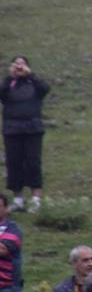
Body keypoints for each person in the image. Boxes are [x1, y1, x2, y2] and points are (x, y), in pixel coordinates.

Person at [0, 56, 48, 212]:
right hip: (12, 130)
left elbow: (45, 89)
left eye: (22, 64)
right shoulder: (9, 84)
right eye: (16, 64)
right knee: (14, 163)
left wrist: (30, 75)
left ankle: (35, 199)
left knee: (33, 162)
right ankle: (18, 199)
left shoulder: (34, 83)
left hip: (33, 129)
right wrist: (10, 77)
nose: (19, 67)